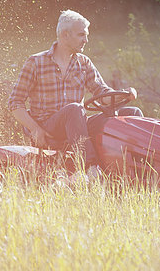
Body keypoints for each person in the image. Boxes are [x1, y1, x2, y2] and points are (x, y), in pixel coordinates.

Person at [8, 10, 143, 172]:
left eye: (86, 35)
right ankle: (90, 169)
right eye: (81, 35)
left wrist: (123, 94)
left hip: (77, 124)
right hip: (49, 127)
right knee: (74, 109)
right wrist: (35, 129)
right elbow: (15, 103)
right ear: (65, 35)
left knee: (131, 113)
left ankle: (135, 167)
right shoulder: (36, 62)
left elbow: (102, 93)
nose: (86, 40)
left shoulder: (83, 62)